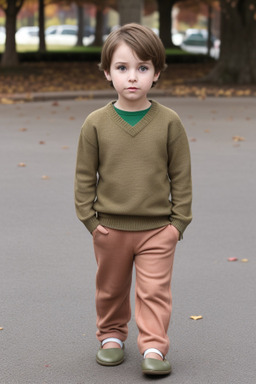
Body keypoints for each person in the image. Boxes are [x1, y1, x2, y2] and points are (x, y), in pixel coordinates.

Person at [74, 23, 192, 376]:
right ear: (108, 72)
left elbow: (181, 177)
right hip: (110, 228)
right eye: (122, 68)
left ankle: (154, 346)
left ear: (156, 73)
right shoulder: (95, 124)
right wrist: (92, 223)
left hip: (158, 230)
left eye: (143, 68)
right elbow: (84, 178)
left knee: (154, 291)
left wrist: (177, 225)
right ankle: (111, 336)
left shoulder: (169, 122)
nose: (132, 77)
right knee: (110, 289)